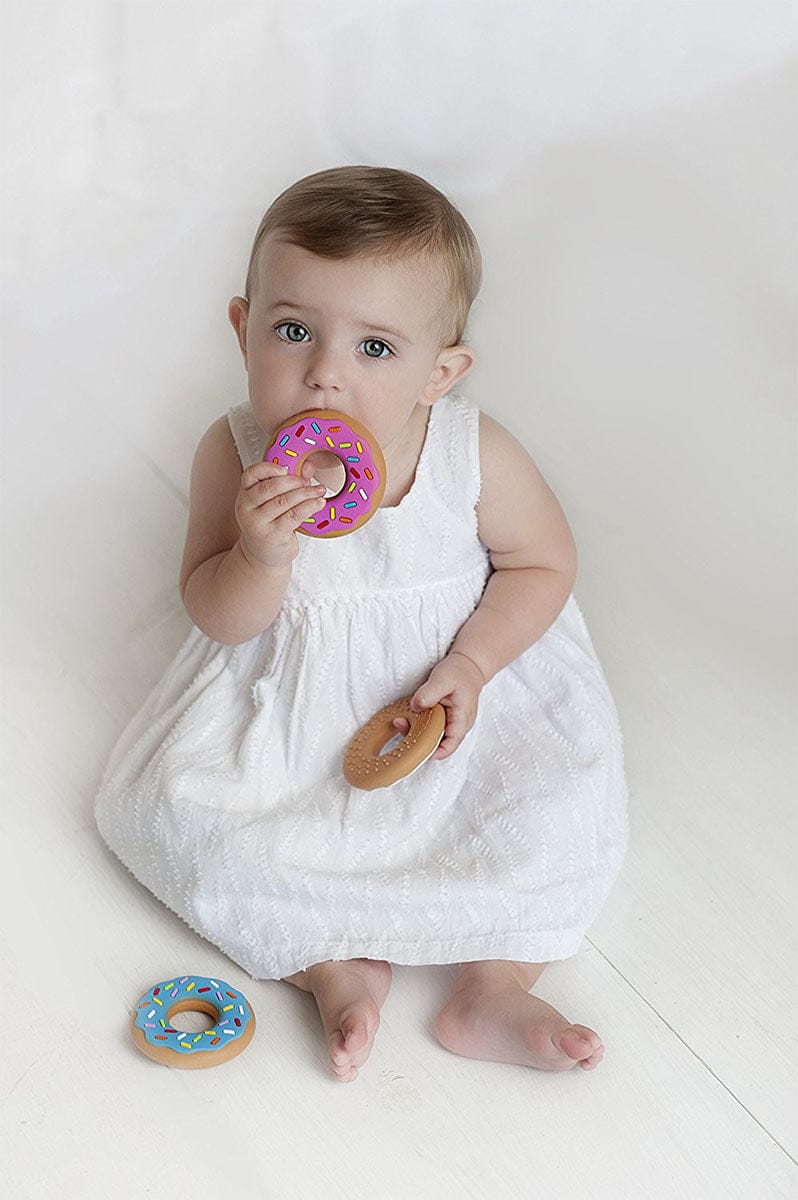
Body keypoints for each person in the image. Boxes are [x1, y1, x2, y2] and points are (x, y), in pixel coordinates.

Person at [95, 165, 628, 1083]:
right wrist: (259, 556)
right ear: (243, 329)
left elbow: (543, 564)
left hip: (449, 698)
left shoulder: (469, 451)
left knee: (551, 808)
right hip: (290, 709)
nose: (324, 373)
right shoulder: (235, 451)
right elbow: (216, 615)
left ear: (439, 373)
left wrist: (475, 662)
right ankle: (331, 967)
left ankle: (494, 984)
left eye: (375, 348)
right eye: (292, 331)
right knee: (187, 821)